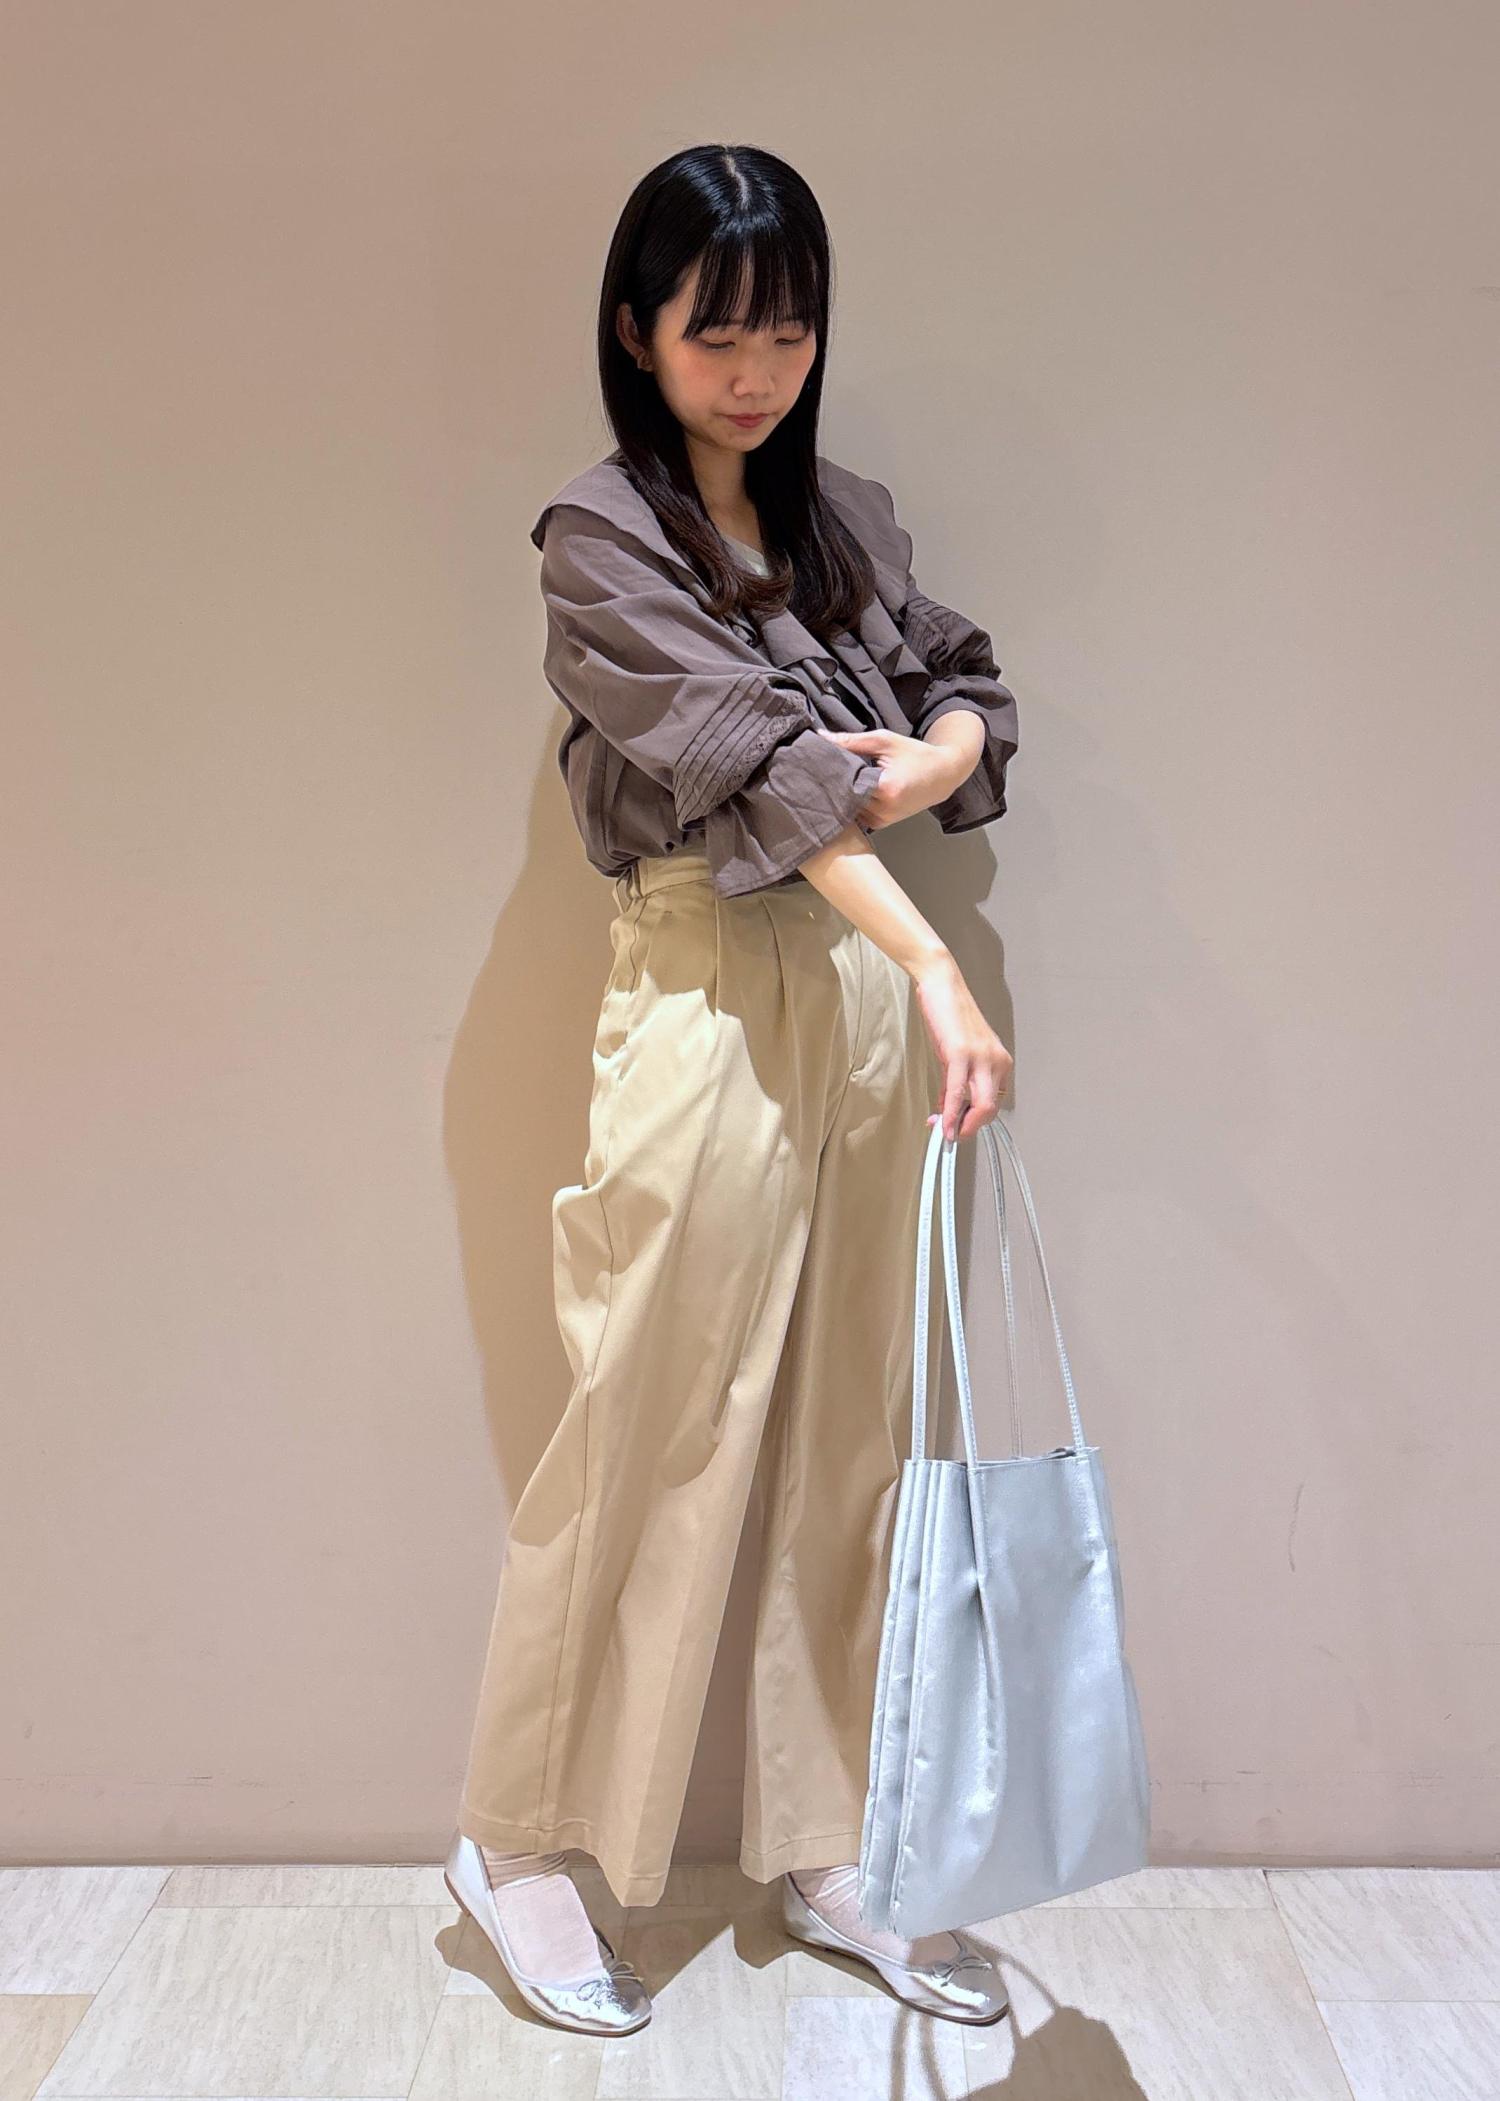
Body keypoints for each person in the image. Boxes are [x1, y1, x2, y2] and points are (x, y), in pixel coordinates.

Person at [444, 142, 1018, 2036]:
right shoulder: (601, 536)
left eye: (788, 331)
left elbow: (966, 687)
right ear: (638, 329)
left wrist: (931, 761)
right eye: (717, 334)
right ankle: (519, 1840)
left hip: (861, 992)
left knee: (855, 1427)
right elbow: (764, 768)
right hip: (707, 972)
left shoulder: (841, 516)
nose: (756, 370)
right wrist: (933, 948)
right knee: (648, 1414)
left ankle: (827, 1836)